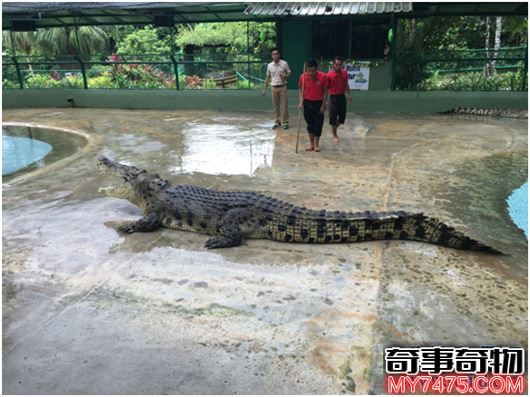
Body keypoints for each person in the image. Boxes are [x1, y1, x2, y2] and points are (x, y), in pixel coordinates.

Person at [298, 58, 329, 152]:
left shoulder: (323, 77)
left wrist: (324, 105)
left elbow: (326, 91)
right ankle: (311, 145)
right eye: (309, 71)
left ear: (317, 69)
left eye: (313, 70)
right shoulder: (303, 77)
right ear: (306, 69)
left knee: (318, 125)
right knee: (310, 125)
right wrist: (300, 101)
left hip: (318, 103)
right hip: (307, 103)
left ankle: (316, 145)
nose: (311, 73)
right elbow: (301, 90)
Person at [262, 48, 291, 129]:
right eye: (273, 54)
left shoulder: (284, 63)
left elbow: (289, 73)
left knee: (284, 105)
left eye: (276, 54)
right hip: (273, 87)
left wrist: (285, 76)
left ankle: (285, 122)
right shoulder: (269, 65)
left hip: (283, 87)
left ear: (279, 55)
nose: (275, 56)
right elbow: (267, 77)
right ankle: (277, 122)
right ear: (272, 56)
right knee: (276, 106)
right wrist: (264, 89)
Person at [326, 56, 351, 144]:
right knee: (333, 118)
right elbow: (325, 88)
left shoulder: (344, 73)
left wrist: (349, 94)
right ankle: (334, 134)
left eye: (340, 65)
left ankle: (333, 129)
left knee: (342, 118)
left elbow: (346, 84)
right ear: (333, 65)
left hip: (342, 97)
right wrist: (324, 101)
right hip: (333, 98)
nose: (339, 67)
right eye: (337, 65)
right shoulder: (329, 75)